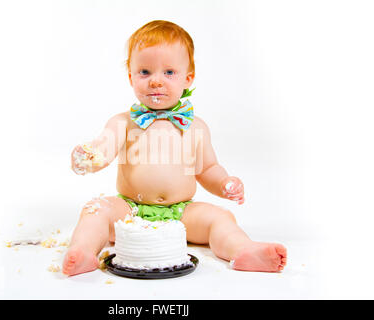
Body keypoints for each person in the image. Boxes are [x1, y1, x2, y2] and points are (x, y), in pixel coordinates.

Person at [63, 20, 287, 276]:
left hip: (181, 212)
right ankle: (82, 252)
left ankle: (244, 250)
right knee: (95, 210)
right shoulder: (122, 122)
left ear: (187, 77)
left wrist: (224, 183)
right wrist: (87, 157)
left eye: (169, 72)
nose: (156, 81)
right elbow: (102, 148)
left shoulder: (196, 127)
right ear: (131, 77)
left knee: (220, 218)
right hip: (129, 210)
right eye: (145, 72)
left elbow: (208, 168)